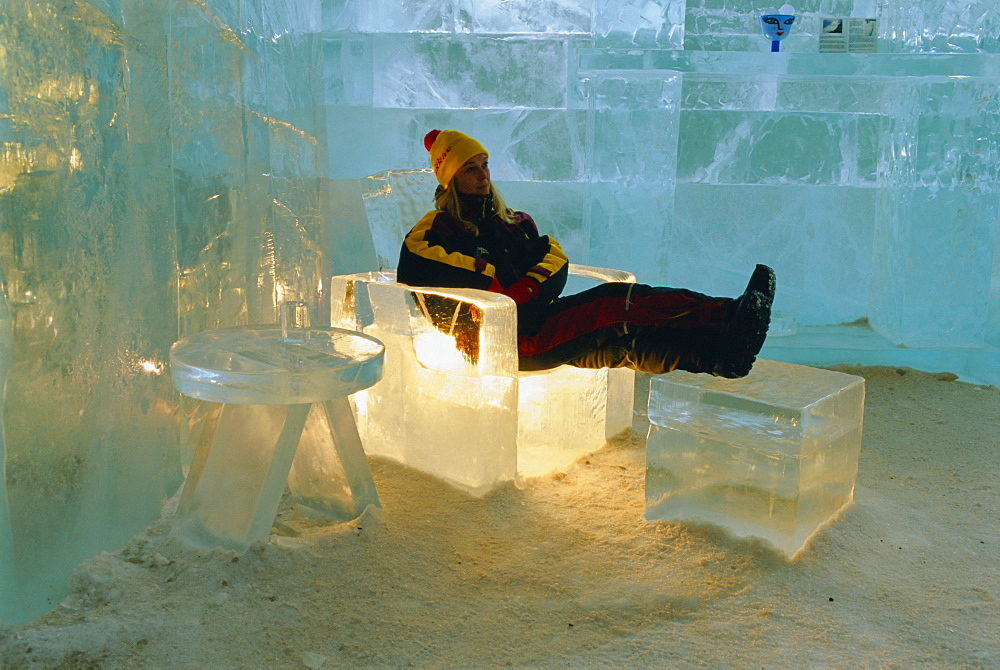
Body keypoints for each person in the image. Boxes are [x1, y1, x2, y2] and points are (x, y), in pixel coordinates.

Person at [396, 129, 775, 378]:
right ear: (449, 179)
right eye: (469, 169)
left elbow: (553, 256)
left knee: (622, 343)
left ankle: (724, 355)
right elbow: (420, 265)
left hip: (537, 321)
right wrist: (496, 291)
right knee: (612, 304)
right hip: (502, 341)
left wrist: (527, 288)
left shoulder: (512, 221)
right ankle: (728, 315)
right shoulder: (438, 227)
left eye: (485, 165)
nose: (483, 176)